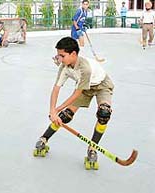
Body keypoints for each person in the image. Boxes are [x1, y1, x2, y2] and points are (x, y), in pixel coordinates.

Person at [33, 37, 114, 170]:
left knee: (104, 113)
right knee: (65, 116)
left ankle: (92, 147)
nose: (59, 59)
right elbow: (56, 88)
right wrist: (52, 110)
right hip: (84, 88)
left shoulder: (85, 69)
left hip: (101, 86)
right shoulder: (64, 67)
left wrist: (56, 109)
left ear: (73, 54)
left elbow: (76, 94)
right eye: (58, 55)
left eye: (62, 55)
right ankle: (44, 138)